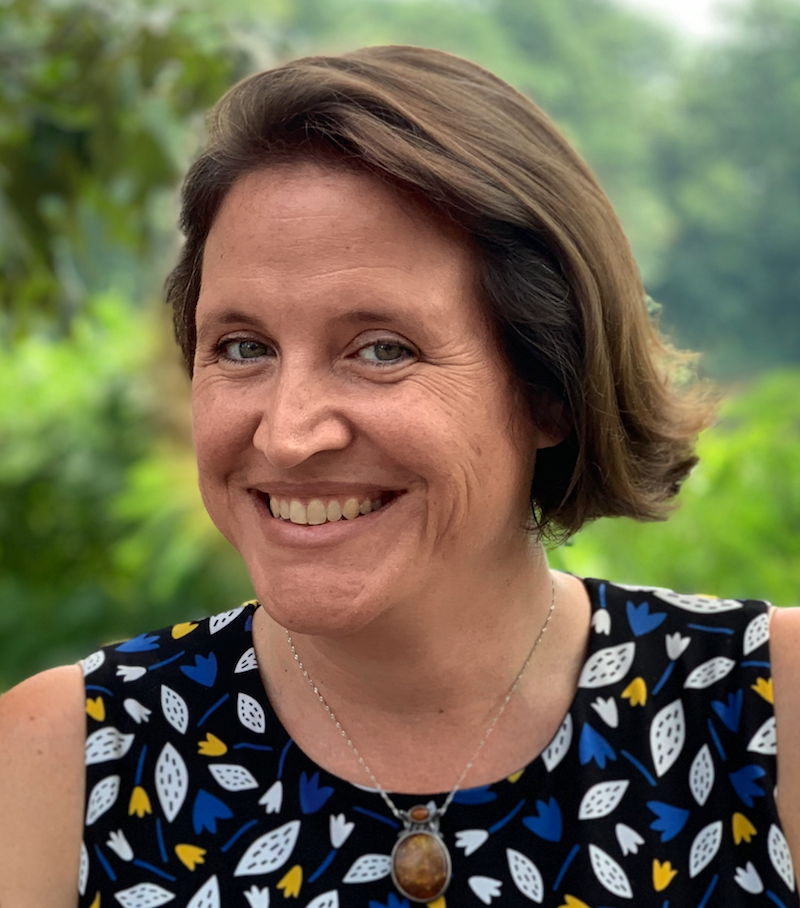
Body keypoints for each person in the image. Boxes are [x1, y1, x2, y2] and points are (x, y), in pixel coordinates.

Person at [1, 44, 799, 908]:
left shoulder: (769, 710)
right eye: (242, 348)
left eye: (382, 350)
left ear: (550, 388)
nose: (290, 431)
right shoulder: (62, 763)